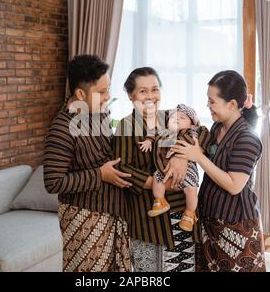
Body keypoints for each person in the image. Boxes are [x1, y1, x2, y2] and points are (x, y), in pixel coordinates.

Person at [169, 70, 266, 272]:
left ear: (232, 104)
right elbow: (195, 144)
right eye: (208, 100)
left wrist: (199, 157)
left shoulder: (248, 139)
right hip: (210, 219)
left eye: (212, 102)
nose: (207, 106)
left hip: (236, 226)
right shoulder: (217, 128)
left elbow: (234, 185)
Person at [43, 54, 132, 272]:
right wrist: (100, 175)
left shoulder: (98, 113)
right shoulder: (61, 129)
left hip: (112, 211)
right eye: (101, 92)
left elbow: (106, 153)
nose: (107, 97)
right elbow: (53, 182)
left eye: (108, 89)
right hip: (83, 218)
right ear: (80, 94)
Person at [113, 67, 200, 272]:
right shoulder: (126, 126)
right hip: (147, 216)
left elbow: (201, 132)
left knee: (183, 267)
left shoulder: (172, 117)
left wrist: (183, 158)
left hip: (182, 212)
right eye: (143, 91)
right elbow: (122, 167)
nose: (151, 96)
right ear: (130, 95)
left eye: (155, 89)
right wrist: (159, 184)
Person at [140, 104, 211, 232]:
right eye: (174, 116)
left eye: (183, 117)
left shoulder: (193, 133)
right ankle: (160, 200)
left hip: (188, 169)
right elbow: (153, 132)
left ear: (192, 124)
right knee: (157, 178)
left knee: (191, 189)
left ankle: (190, 212)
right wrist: (149, 140)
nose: (177, 118)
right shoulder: (166, 132)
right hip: (166, 167)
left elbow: (202, 141)